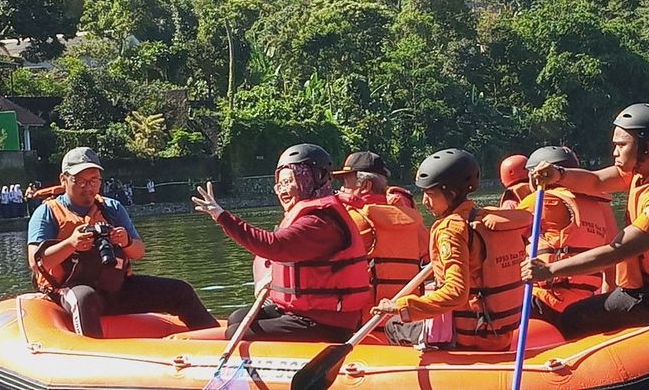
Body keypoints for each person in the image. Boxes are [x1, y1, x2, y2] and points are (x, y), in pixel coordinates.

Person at [522, 103, 649, 340]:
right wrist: (559, 175)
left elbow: (615, 252)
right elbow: (597, 181)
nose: (614, 152)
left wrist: (549, 270)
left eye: (620, 146)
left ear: (646, 147)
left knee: (573, 318)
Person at [27, 146, 217, 338]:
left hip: (115, 288)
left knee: (180, 290)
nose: (88, 187)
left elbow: (139, 252)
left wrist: (125, 241)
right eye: (80, 181)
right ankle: (94, 357)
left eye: (94, 181)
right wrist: (71, 243)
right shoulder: (47, 213)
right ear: (64, 179)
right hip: (70, 289)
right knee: (85, 298)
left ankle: (221, 340)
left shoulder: (112, 208)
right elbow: (36, 263)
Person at [192, 143, 370, 342]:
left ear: (313, 179)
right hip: (301, 313)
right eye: (280, 184)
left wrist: (222, 216)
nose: (282, 190)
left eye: (289, 182)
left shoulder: (320, 222)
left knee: (237, 332)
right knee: (237, 318)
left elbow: (273, 246)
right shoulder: (310, 215)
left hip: (325, 323)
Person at [373, 149, 531, 351]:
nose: (425, 202)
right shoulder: (482, 219)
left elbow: (456, 293)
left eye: (430, 194)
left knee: (394, 324)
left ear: (452, 193)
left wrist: (402, 306)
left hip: (468, 336)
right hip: (498, 332)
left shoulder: (451, 230)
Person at [518, 146, 618, 329]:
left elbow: (503, 230)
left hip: (545, 301)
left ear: (536, 176)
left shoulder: (542, 199)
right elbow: (612, 264)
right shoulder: (600, 206)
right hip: (583, 302)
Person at [333, 151, 429, 322]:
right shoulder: (412, 219)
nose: (342, 189)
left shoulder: (352, 221)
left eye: (347, 184)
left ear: (366, 186)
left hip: (363, 325)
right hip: (404, 323)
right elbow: (428, 254)